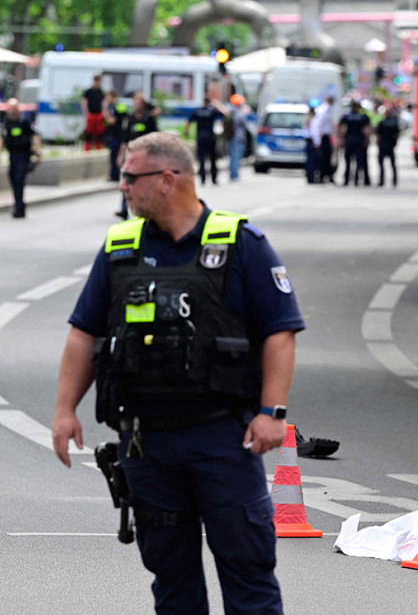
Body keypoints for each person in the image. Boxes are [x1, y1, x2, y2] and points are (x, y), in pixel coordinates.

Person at [52, 131, 303, 614]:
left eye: (130, 177)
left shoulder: (240, 244)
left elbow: (280, 331)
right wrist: (65, 409)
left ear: (167, 179)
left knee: (247, 570)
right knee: (172, 578)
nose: (122, 186)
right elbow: (84, 333)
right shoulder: (120, 248)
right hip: (146, 443)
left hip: (222, 437)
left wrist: (272, 411)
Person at [0, 98, 41, 218]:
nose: (12, 111)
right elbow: (2, 139)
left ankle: (19, 207)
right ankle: (19, 205)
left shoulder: (24, 122)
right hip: (12, 156)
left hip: (23, 155)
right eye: (10, 108)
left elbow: (35, 135)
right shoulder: (7, 123)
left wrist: (37, 152)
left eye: (14, 108)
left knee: (19, 180)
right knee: (13, 180)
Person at [115, 92, 160, 219]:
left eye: (139, 103)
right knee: (127, 181)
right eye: (135, 102)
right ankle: (124, 209)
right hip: (132, 155)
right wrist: (120, 156)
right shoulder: (131, 119)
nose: (136, 105)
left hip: (145, 155)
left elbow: (155, 137)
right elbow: (125, 140)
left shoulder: (149, 119)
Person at [184, 97, 225, 185]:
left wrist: (186, 132)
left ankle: (203, 178)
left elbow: (188, 122)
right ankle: (214, 178)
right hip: (210, 138)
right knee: (213, 159)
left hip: (200, 137)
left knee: (201, 159)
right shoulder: (212, 111)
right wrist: (217, 105)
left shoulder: (197, 111)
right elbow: (224, 113)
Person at [338, 100, 371, 186]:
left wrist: (341, 138)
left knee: (347, 161)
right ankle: (356, 180)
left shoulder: (346, 116)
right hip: (359, 140)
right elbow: (366, 129)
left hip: (349, 140)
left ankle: (346, 180)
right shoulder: (363, 117)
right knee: (358, 161)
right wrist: (367, 139)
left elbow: (341, 128)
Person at [103, 91, 128, 182]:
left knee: (114, 156)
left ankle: (115, 176)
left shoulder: (114, 107)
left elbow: (112, 121)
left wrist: (105, 114)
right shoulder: (119, 106)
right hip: (117, 134)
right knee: (115, 155)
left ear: (112, 97)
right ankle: (116, 175)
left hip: (116, 135)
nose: (107, 99)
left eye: (108, 97)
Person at [311, 95, 336, 183]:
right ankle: (322, 176)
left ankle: (326, 175)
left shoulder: (327, 110)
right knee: (323, 158)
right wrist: (317, 140)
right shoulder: (324, 110)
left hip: (326, 137)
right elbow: (318, 125)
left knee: (327, 158)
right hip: (323, 137)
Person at [375, 105, 400, 187]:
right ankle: (394, 180)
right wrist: (395, 143)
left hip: (383, 145)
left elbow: (378, 135)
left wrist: (378, 143)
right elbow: (397, 134)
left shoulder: (381, 123)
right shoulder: (394, 123)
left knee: (381, 164)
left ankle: (382, 181)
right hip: (390, 145)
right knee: (392, 164)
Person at [225, 94, 248, 182]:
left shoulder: (228, 112)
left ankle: (232, 175)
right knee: (236, 157)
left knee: (231, 157)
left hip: (229, 137)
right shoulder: (239, 114)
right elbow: (245, 124)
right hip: (238, 138)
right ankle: (235, 176)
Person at [82, 74, 106, 151]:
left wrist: (104, 112)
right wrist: (86, 113)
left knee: (99, 131)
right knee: (89, 131)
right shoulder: (88, 91)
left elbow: (103, 103)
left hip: (98, 114)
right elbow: (84, 102)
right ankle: (87, 147)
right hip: (91, 114)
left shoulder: (101, 92)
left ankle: (99, 147)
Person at [303, 101, 318, 184]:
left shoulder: (307, 118)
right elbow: (314, 132)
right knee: (312, 160)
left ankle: (309, 176)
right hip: (311, 140)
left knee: (309, 159)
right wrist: (317, 142)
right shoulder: (312, 119)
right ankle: (311, 177)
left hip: (308, 140)